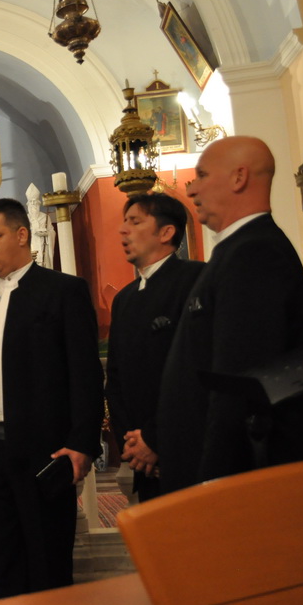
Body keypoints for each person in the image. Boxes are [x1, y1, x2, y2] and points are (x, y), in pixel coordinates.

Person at [0, 198, 103, 600]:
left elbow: (85, 373)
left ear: (21, 235)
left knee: (48, 560)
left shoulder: (63, 291)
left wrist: (83, 444)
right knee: (1, 561)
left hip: (42, 450)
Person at [156, 136, 303, 494]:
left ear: (239, 177)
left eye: (202, 175)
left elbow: (239, 386)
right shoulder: (237, 250)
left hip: (232, 482)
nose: (191, 189)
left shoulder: (254, 253)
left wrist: (218, 484)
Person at [105, 194, 204, 502]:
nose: (123, 230)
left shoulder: (197, 280)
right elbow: (116, 379)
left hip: (188, 450)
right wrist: (132, 445)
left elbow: (195, 372)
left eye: (135, 222)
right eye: (124, 222)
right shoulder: (124, 299)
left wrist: (155, 439)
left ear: (166, 232)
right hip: (142, 459)